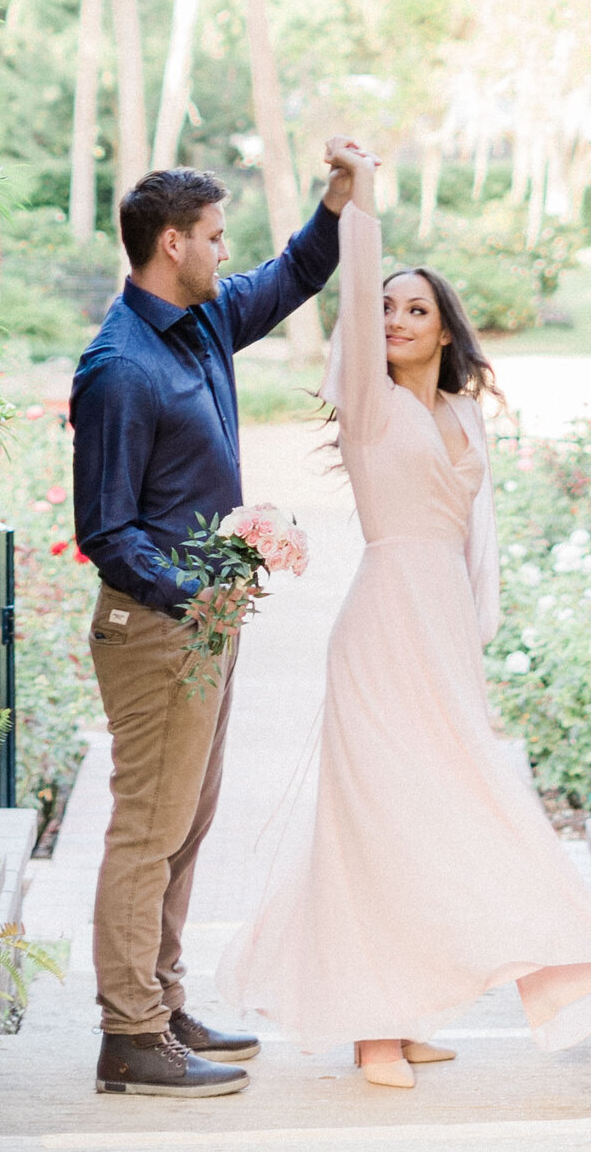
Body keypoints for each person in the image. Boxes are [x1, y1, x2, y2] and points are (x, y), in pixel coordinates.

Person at [218, 149, 591, 1088]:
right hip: (381, 631)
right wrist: (362, 205)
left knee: (444, 813)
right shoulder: (370, 407)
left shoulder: (464, 416)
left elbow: (479, 543)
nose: (394, 319)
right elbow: (351, 303)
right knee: (375, 820)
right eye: (387, 306)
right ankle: (371, 1025)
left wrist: (476, 635)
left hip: (445, 635)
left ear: (447, 330)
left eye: (416, 309)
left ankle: (409, 1004)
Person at [72, 141, 370, 1099]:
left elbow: (294, 275)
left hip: (203, 622)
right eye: (212, 235)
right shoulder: (118, 367)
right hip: (156, 628)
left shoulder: (200, 324)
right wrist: (189, 594)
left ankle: (163, 1002)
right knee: (147, 831)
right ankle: (130, 1035)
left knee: (187, 823)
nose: (224, 248)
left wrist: (334, 199)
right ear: (171, 244)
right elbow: (107, 530)